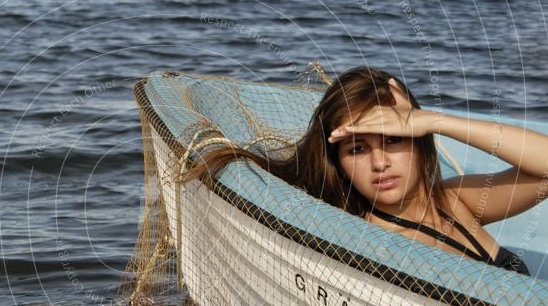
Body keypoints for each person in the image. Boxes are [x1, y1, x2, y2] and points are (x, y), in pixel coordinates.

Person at [186, 66, 548, 275]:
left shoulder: (455, 201)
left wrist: (434, 120)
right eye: (357, 149)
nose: (379, 163)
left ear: (418, 141)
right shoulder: (364, 240)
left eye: (393, 140)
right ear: (340, 164)